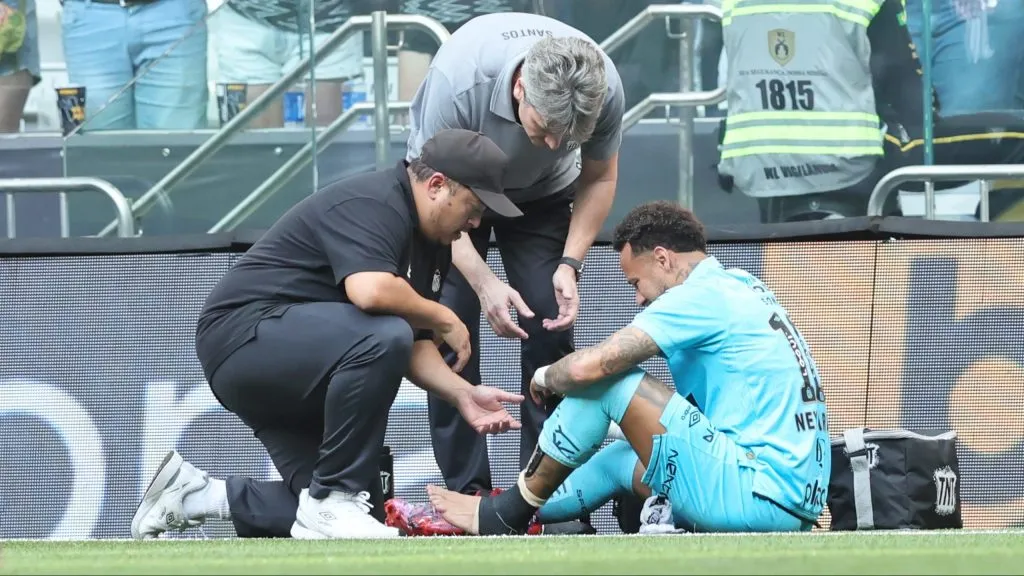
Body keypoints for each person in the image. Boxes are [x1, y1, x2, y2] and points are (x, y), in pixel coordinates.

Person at [130, 129, 527, 541]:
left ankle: (197, 496)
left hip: (298, 363)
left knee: (365, 512)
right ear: (437, 185)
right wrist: (444, 315)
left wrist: (462, 393)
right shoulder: (377, 202)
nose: (477, 223)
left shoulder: (434, 242)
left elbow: (410, 340)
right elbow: (370, 292)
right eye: (474, 207)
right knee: (382, 340)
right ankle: (334, 493)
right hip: (244, 336)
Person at [424, 201, 832, 535]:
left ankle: (504, 515)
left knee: (611, 382)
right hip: (785, 501)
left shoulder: (698, 296)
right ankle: (506, 513)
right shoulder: (740, 283)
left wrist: (543, 376)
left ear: (662, 259)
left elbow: (593, 368)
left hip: (755, 497)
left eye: (636, 283)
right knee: (623, 457)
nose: (637, 299)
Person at [406, 11, 626, 513]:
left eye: (567, 138)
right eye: (546, 130)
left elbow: (598, 177)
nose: (553, 145)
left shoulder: (603, 86)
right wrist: (484, 284)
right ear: (521, 88)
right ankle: (469, 496)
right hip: (455, 192)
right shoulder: (460, 80)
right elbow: (428, 201)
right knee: (447, 328)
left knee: (550, 315)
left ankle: (540, 497)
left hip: (545, 197)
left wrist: (571, 262)